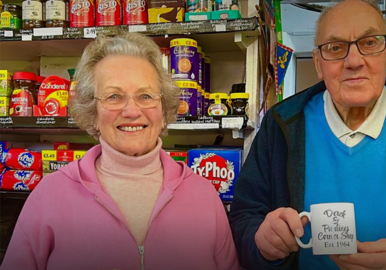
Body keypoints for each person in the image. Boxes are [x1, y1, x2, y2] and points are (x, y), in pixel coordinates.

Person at [228, 0, 386, 269]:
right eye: (335, 48)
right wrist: (262, 242)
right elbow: (243, 220)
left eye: (370, 43)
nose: (354, 61)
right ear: (317, 62)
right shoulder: (279, 126)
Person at [1, 32, 240, 270]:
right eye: (114, 96)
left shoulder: (204, 195)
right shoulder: (49, 195)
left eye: (145, 96)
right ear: (92, 112)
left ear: (163, 108)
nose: (132, 111)